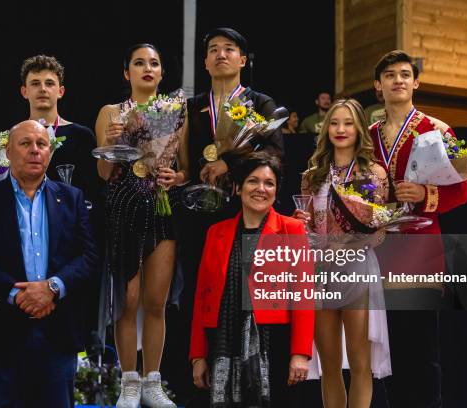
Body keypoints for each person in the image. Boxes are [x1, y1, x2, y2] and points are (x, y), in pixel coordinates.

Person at [171, 28, 285, 404]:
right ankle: (197, 379)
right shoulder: (191, 107)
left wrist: (230, 163)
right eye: (213, 50)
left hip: (245, 213)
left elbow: (276, 155)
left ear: (243, 60)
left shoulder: (261, 104)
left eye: (229, 49)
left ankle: (254, 385)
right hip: (199, 214)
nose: (221, 55)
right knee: (198, 295)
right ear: (204, 62)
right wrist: (179, 174)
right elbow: (185, 160)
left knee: (248, 297)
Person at [0, 120, 97, 408]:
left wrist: (53, 288)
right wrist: (16, 293)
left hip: (58, 334)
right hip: (0, 335)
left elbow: (89, 257)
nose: (35, 150)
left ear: (50, 152)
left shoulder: (72, 199)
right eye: (25, 144)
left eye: (42, 144)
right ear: (8, 151)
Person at [369, 50, 467, 407]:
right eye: (390, 75)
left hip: (420, 254)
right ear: (378, 86)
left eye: (404, 74)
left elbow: (464, 186)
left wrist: (427, 194)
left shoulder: (441, 130)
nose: (398, 79)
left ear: (416, 83)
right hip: (377, 253)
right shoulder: (366, 136)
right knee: (387, 352)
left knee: (421, 348)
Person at [95, 43, 187, 408]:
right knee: (127, 300)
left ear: (162, 73)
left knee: (155, 301)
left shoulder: (177, 111)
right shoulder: (111, 112)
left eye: (154, 63)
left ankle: (153, 382)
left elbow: (186, 169)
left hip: (161, 207)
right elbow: (104, 172)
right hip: (122, 206)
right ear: (126, 72)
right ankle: (128, 383)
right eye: (139, 63)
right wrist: (111, 140)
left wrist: (174, 177)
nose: (147, 68)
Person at [190, 152, 314, 407]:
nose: (261, 189)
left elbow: (304, 295)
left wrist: (300, 353)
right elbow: (201, 295)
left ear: (277, 191)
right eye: (252, 181)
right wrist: (198, 355)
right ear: (237, 188)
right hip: (221, 343)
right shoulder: (216, 232)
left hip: (276, 344)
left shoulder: (293, 229)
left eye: (269, 183)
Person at [298, 98, 391, 408]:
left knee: (359, 358)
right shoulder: (313, 174)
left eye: (348, 123)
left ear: (359, 129)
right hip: (321, 270)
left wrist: (352, 242)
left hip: (356, 268)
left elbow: (380, 231)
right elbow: (309, 225)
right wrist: (302, 225)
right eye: (334, 123)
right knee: (329, 362)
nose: (340, 129)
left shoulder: (374, 173)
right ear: (326, 129)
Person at [19, 54, 103, 345]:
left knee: (69, 334)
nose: (43, 88)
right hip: (24, 244)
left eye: (49, 83)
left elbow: (93, 196)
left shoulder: (80, 137)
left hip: (69, 250)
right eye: (35, 83)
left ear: (61, 91)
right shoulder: (11, 139)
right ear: (24, 91)